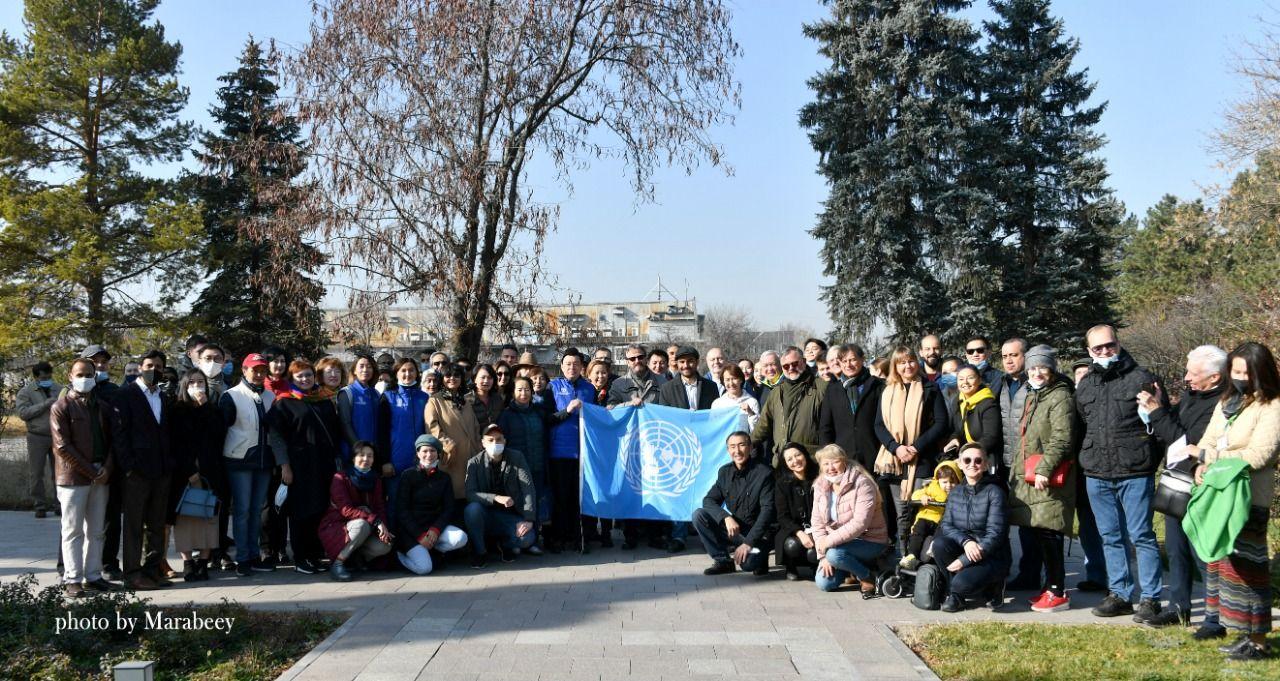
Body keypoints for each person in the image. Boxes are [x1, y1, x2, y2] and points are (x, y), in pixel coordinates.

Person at [1187, 342, 1280, 660]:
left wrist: (1209, 457)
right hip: (1219, 493)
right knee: (1225, 570)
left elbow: (1259, 455)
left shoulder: (1272, 406)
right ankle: (1243, 634)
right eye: (1235, 371)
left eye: (1246, 373)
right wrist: (1201, 465)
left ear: (1261, 373)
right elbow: (1210, 438)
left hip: (1248, 497)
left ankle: (1258, 642)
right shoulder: (1228, 400)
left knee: (1248, 570)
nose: (1239, 378)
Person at [1076, 324, 1166, 621]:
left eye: (1109, 345)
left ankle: (1151, 598)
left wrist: (1148, 459)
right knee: (1110, 536)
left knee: (1141, 535)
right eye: (1098, 348)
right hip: (1097, 472)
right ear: (1089, 351)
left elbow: (1160, 424)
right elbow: (1083, 423)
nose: (1105, 351)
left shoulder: (1142, 378)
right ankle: (1120, 594)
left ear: (1118, 343)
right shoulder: (1086, 384)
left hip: (1134, 471)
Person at [1136, 345, 1228, 629]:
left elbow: (1186, 444)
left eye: (1192, 373)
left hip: (1201, 485)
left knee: (1202, 552)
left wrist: (1157, 413)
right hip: (1177, 483)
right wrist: (1161, 406)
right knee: (1176, 550)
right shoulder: (1192, 395)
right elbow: (1174, 430)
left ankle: (1217, 615)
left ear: (1214, 377)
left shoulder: (1221, 405)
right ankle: (1178, 608)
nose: (1186, 377)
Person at [1007, 345, 1078, 613]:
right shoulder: (1033, 395)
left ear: (1052, 369)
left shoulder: (1060, 396)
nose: (1037, 373)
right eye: (1033, 368)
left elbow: (1063, 438)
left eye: (1042, 368)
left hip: (1047, 477)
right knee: (1040, 531)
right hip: (1031, 476)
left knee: (1050, 532)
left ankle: (1057, 591)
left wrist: (1044, 469)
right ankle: (1048, 588)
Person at [268, 359, 343, 575]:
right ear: (291, 379)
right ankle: (301, 558)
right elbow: (276, 437)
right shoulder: (284, 402)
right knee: (300, 512)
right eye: (299, 376)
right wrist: (284, 466)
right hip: (298, 466)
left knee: (320, 510)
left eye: (308, 375)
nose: (305, 379)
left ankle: (314, 555)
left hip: (323, 465)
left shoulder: (323, 400)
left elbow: (334, 434)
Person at [50, 358, 116, 597]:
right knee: (72, 530)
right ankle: (72, 578)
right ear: (70, 376)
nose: (85, 378)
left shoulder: (103, 407)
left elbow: (113, 442)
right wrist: (92, 472)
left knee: (96, 531)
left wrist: (107, 468)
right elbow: (62, 446)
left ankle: (93, 576)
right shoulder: (61, 407)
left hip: (100, 475)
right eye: (80, 374)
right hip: (73, 478)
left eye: (89, 374)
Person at [872, 346, 949, 550]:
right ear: (895, 366)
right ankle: (904, 554)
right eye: (902, 362)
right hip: (894, 461)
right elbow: (878, 425)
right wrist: (896, 448)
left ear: (917, 362)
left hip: (922, 460)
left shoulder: (930, 388)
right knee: (902, 513)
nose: (908, 366)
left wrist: (915, 447)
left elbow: (941, 423)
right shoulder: (887, 391)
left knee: (920, 509)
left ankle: (921, 555)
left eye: (911, 361)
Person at [113, 350, 175, 591]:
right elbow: (120, 434)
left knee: (157, 524)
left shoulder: (164, 396)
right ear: (140, 367)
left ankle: (153, 569)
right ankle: (132, 573)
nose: (153, 370)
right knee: (134, 524)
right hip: (136, 471)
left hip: (162, 470)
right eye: (149, 365)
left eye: (158, 366)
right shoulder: (125, 394)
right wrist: (128, 467)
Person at [218, 353, 281, 577]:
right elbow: (221, 430)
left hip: (264, 460)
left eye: (263, 370)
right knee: (242, 510)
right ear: (244, 370)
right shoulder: (231, 396)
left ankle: (254, 555)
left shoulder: (270, 396)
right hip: (239, 460)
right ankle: (243, 558)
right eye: (255, 370)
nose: (259, 374)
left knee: (256, 511)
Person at [995, 337, 1046, 593]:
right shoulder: (1001, 384)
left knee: (1031, 523)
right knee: (1008, 520)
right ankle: (1007, 570)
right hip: (1007, 463)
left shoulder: (1036, 383)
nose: (1009, 360)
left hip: (1031, 463)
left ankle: (1032, 574)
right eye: (1005, 356)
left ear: (1026, 356)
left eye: (1014, 355)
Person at [656, 346, 719, 553]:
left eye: (690, 361)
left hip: (705, 447)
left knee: (705, 491)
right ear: (677, 363)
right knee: (678, 492)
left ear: (697, 362)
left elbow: (716, 416)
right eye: (682, 362)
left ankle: (706, 535)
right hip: (678, 449)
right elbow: (664, 419)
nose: (686, 365)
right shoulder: (667, 388)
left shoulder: (711, 387)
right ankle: (678, 535)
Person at [934, 443, 1010, 612]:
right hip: (966, 547)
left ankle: (993, 584)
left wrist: (964, 560)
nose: (972, 464)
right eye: (967, 460)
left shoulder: (995, 492)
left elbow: (996, 534)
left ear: (985, 465)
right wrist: (966, 541)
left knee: (961, 583)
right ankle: (956, 596)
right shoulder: (956, 492)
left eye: (978, 460)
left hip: (992, 555)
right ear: (960, 464)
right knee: (939, 544)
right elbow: (946, 525)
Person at [170, 369, 227, 582]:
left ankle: (204, 561)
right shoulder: (177, 410)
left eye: (200, 382)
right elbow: (177, 444)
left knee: (209, 518)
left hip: (211, 472)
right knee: (184, 519)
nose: (196, 386)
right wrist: (189, 471)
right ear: (185, 385)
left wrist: (205, 407)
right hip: (184, 474)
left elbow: (219, 433)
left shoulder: (212, 409)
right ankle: (188, 562)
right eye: (192, 382)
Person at [810, 444, 890, 595]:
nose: (830, 468)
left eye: (835, 462)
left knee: (835, 555)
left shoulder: (862, 483)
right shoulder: (820, 485)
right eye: (826, 463)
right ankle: (852, 569)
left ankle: (867, 576)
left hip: (869, 540)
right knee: (824, 583)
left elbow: (860, 523)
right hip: (837, 545)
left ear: (844, 461)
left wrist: (828, 544)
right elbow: (817, 522)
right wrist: (823, 555)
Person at [693, 431, 775, 576]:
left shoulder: (765, 473)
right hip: (737, 529)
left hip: (759, 533)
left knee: (748, 564)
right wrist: (725, 517)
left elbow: (767, 513)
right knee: (699, 515)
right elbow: (709, 500)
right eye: (732, 447)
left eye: (741, 445)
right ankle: (723, 561)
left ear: (750, 447)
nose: (737, 451)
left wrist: (748, 543)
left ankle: (760, 557)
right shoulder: (725, 472)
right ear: (728, 450)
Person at [547, 349, 598, 553]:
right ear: (562, 366)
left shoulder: (589, 389)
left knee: (579, 498)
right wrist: (567, 411)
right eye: (568, 363)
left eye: (576, 364)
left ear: (582, 367)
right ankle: (559, 537)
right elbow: (547, 418)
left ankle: (580, 538)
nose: (572, 367)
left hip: (583, 453)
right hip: (559, 452)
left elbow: (598, 416)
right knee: (560, 497)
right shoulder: (552, 387)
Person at [463, 424, 536, 567]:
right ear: (483, 443)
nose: (495, 443)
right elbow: (470, 494)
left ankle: (505, 545)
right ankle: (480, 552)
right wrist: (495, 497)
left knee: (527, 538)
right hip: (485, 515)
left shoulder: (517, 457)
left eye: (499, 439)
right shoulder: (474, 463)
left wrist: (529, 518)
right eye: (490, 440)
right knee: (472, 510)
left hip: (509, 516)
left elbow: (528, 488)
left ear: (505, 441)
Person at [395, 434, 469, 574]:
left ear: (438, 453)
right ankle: (399, 557)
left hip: (433, 529)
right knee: (424, 568)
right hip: (411, 532)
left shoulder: (444, 478)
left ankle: (432, 550)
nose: (429, 455)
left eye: (433, 451)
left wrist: (436, 529)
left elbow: (449, 508)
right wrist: (419, 535)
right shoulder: (408, 476)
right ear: (418, 453)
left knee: (461, 538)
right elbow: (402, 511)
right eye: (425, 451)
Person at [320, 441, 393, 582]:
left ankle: (354, 558)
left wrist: (383, 527)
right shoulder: (340, 478)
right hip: (336, 526)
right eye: (361, 455)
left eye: (370, 456)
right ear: (353, 458)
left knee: (385, 546)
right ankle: (338, 563)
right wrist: (375, 520)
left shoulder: (376, 479)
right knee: (362, 525)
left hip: (364, 527)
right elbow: (346, 510)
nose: (366, 459)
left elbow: (379, 506)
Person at [496, 376, 550, 555]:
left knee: (535, 501)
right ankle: (517, 539)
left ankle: (533, 540)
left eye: (527, 389)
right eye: (519, 389)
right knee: (518, 503)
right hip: (516, 468)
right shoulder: (506, 415)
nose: (523, 393)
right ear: (513, 392)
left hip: (537, 464)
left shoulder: (538, 412)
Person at [377, 358, 429, 528]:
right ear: (396, 373)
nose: (407, 374)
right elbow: (381, 432)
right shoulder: (388, 396)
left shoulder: (424, 397)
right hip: (395, 462)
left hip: (420, 461)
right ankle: (392, 540)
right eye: (403, 370)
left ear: (417, 373)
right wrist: (385, 461)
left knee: (417, 504)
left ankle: (415, 539)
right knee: (394, 504)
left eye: (411, 370)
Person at [753, 346, 826, 466]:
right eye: (786, 366)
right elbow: (763, 425)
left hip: (810, 461)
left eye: (795, 364)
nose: (791, 368)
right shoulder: (776, 392)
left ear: (804, 362)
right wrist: (746, 444)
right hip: (783, 461)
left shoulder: (821, 388)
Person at [818, 344, 886, 471]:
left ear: (862, 359)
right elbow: (826, 427)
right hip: (843, 457)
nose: (848, 365)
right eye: (844, 361)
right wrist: (827, 456)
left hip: (874, 455)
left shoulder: (877, 385)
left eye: (853, 360)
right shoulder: (833, 390)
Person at [424, 363, 481, 502]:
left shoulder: (465, 401)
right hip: (451, 456)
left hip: (471, 455)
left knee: (470, 496)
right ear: (442, 378)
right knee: (452, 497)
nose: (452, 378)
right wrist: (448, 445)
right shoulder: (434, 400)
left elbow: (475, 426)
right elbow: (432, 427)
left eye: (456, 375)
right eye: (448, 375)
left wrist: (478, 446)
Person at [17, 361, 60, 518]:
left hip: (57, 436)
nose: (47, 380)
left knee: (59, 472)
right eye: (43, 378)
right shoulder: (25, 392)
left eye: (49, 377)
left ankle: (60, 504)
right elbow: (23, 413)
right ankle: (40, 505)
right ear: (36, 378)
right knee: (36, 473)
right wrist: (44, 405)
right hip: (36, 436)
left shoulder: (59, 389)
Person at [900, 460, 961, 570]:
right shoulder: (932, 487)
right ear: (938, 481)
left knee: (941, 532)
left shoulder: (959, 493)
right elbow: (916, 495)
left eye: (952, 482)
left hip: (941, 524)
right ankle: (912, 555)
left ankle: (933, 553)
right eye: (945, 482)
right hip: (927, 518)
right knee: (918, 531)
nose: (948, 486)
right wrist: (923, 497)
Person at [583, 359, 617, 546]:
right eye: (596, 372)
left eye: (603, 372)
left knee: (606, 490)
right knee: (588, 489)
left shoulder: (613, 392)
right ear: (588, 375)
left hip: (608, 450)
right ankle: (589, 531)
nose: (600, 376)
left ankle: (606, 531)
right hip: (588, 449)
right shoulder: (585, 392)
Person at [774, 443, 819, 580]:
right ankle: (791, 565)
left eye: (798, 455)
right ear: (785, 463)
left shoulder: (819, 477)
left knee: (814, 552)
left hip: (819, 527)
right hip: (793, 530)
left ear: (805, 455)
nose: (795, 461)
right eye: (790, 459)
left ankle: (816, 566)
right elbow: (782, 516)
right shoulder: (782, 484)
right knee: (792, 545)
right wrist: (800, 533)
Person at [944, 365, 1002, 464]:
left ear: (979, 380)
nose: (965, 382)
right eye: (961, 379)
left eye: (970, 378)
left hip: (984, 457)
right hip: (964, 455)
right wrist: (954, 439)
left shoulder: (988, 403)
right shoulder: (958, 401)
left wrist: (968, 453)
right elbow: (957, 430)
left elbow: (990, 437)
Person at [338, 353, 381, 453]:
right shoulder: (347, 392)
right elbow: (345, 424)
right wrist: (358, 448)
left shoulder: (376, 394)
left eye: (369, 367)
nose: (365, 370)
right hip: (354, 453)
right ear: (354, 370)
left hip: (373, 452)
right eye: (361, 366)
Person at [711, 365, 760, 433]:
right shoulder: (717, 404)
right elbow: (713, 429)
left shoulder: (752, 402)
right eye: (727, 380)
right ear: (723, 382)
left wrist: (751, 413)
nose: (731, 383)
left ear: (741, 380)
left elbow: (756, 431)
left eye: (734, 379)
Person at [468, 363, 506, 428]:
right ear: (475, 379)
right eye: (483, 377)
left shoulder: (497, 399)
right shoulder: (467, 400)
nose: (486, 381)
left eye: (490, 378)